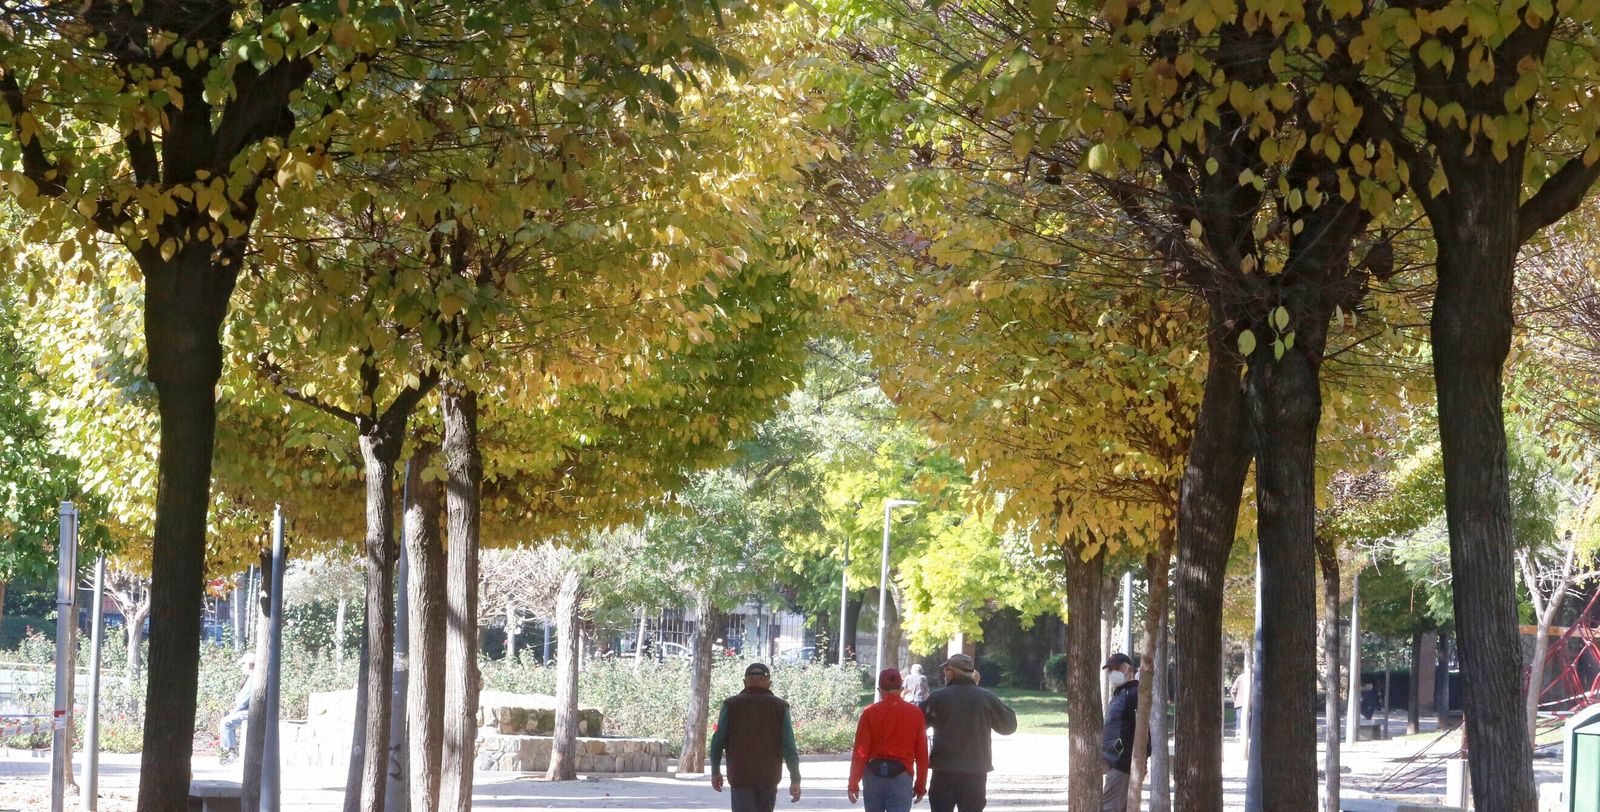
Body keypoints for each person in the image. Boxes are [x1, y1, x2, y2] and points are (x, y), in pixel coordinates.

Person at [922, 653, 1018, 812]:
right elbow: (1009, 726)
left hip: (944, 771)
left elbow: (918, 724)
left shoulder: (938, 697)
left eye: (946, 670)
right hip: (975, 773)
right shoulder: (985, 697)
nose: (945, 674)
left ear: (951, 673)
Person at [710, 663, 802, 811]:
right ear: (769, 684)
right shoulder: (780, 707)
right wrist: (795, 779)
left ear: (745, 682)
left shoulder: (731, 705)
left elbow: (718, 741)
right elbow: (788, 746)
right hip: (769, 776)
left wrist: (715, 771)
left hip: (740, 775)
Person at [848, 669, 929, 812]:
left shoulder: (870, 712)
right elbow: (922, 755)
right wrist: (920, 786)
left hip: (873, 776)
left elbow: (860, 752)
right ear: (901, 688)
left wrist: (853, 783)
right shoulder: (915, 714)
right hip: (901, 777)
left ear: (879, 690)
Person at [1101, 652, 1139, 812]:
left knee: (1109, 807)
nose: (1112, 673)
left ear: (1128, 669)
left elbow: (1143, 727)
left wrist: (1142, 759)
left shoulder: (1134, 693)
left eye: (1116, 668)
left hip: (1121, 761)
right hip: (1112, 760)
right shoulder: (1121, 693)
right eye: (1110, 670)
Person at [218, 654, 255, 764]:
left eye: (243, 664)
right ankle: (229, 752)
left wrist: (233, 711)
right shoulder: (250, 677)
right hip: (248, 710)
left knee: (226, 722)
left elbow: (244, 701)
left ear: (249, 665)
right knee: (227, 720)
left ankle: (231, 753)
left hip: (250, 711)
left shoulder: (253, 677)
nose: (242, 667)